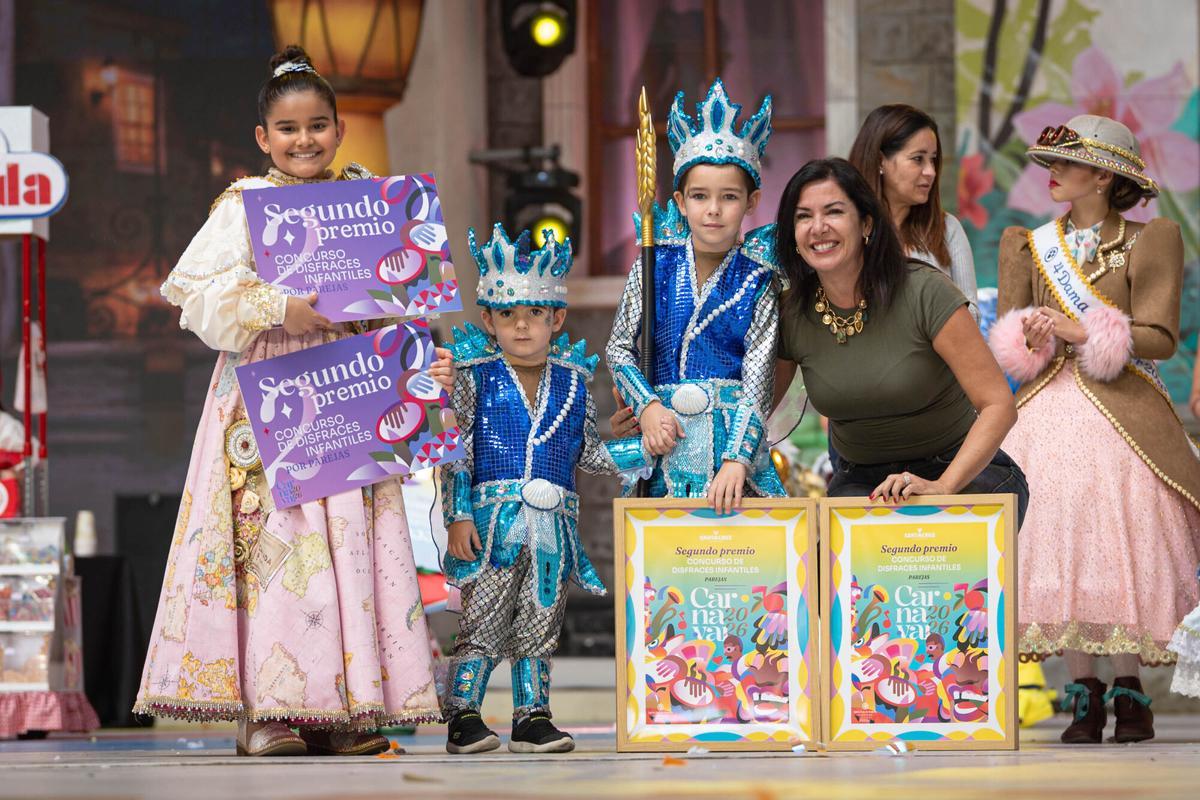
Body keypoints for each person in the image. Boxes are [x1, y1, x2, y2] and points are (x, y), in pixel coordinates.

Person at [134, 45, 451, 757]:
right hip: (272, 396)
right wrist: (279, 306)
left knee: (346, 546)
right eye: (288, 128)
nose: (303, 140)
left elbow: (405, 303)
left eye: (317, 126)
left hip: (354, 388)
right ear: (263, 138)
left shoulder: (373, 200)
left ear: (339, 130)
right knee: (279, 545)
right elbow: (193, 298)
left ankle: (341, 709)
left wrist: (420, 368)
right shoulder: (246, 205)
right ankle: (268, 712)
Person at [990, 114, 1200, 744]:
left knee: (1117, 531)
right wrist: (1028, 337)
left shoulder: (1149, 239)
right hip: (1046, 407)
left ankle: (1130, 690)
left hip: (1124, 407)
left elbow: (1159, 338)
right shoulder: (1027, 243)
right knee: (1052, 529)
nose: (1051, 175)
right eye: (1050, 164)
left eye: (1067, 164)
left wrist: (1085, 329)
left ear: (1105, 176)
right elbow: (1011, 338)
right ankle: (1081, 691)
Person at [439, 224, 649, 755]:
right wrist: (458, 516)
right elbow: (455, 450)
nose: (522, 326)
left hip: (555, 529)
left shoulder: (575, 381)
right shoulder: (475, 375)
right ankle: (463, 716)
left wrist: (640, 445)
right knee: (483, 618)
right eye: (508, 315)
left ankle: (532, 718)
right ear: (488, 319)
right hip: (492, 525)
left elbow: (589, 456)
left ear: (557, 318)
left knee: (541, 622)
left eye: (535, 313)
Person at [772, 157, 1026, 514]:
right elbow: (759, 409)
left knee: (926, 555)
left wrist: (942, 488)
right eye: (803, 216)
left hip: (958, 474)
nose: (818, 227)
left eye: (833, 212)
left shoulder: (925, 291)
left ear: (866, 224)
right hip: (862, 483)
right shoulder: (792, 311)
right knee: (836, 562)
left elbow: (999, 405)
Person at [606, 78, 785, 512]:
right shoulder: (653, 265)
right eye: (700, 196)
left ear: (752, 201)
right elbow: (618, 350)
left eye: (728, 197)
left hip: (730, 452)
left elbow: (758, 386)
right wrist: (646, 407)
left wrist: (737, 461)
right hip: (662, 441)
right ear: (680, 202)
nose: (713, 210)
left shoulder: (760, 280)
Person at [848, 104, 979, 320]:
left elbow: (972, 314)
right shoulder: (848, 228)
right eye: (918, 159)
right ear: (881, 161)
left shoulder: (948, 227)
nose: (931, 172)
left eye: (933, 159)